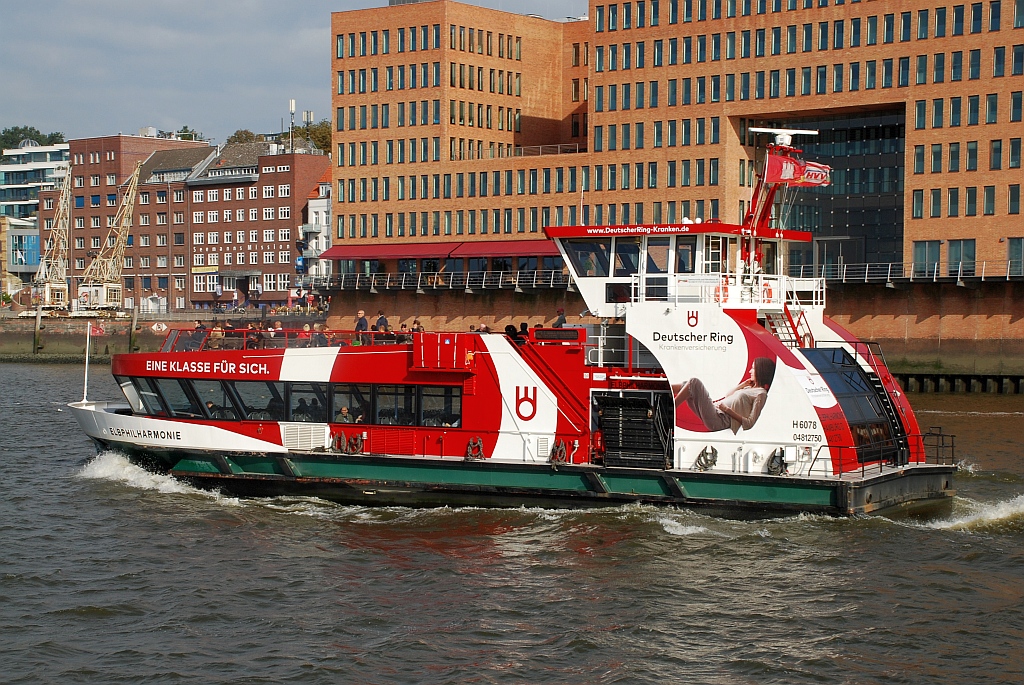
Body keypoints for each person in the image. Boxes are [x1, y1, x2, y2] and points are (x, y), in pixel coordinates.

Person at [672, 357, 776, 433]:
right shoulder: (749, 388)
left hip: (719, 419)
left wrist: (727, 410)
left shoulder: (761, 394)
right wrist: (743, 384)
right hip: (716, 411)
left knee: (694, 382)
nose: (750, 371)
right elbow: (728, 395)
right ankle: (666, 387)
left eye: (753, 368)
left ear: (761, 371)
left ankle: (673, 406)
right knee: (687, 385)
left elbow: (749, 423)